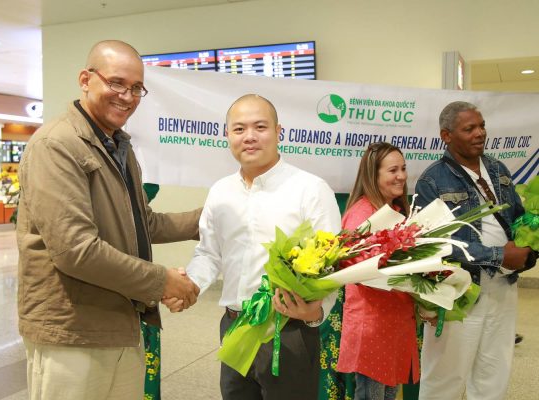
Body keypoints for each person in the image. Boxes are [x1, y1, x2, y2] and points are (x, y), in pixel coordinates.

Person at [16, 40, 201, 400]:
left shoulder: (118, 146)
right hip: (71, 330)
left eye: (136, 88)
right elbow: (76, 251)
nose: (127, 96)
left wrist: (209, 217)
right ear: (86, 79)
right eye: (117, 83)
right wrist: (162, 280)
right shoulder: (57, 145)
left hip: (118, 322)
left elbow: (142, 223)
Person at [166, 94, 341, 399]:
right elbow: (209, 252)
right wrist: (189, 284)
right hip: (234, 326)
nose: (249, 136)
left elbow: (333, 263)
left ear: (278, 131)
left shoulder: (310, 189)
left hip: (288, 331)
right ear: (227, 135)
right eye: (239, 129)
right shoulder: (220, 191)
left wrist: (316, 312)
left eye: (260, 127)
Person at [416, 101, 532, 400]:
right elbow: (437, 243)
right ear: (447, 135)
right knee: (445, 376)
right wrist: (499, 256)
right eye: (469, 128)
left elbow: (518, 217)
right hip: (459, 292)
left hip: (504, 287)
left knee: (494, 370)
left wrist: (528, 249)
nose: (480, 133)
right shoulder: (431, 180)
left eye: (481, 126)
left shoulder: (497, 168)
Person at [335, 142, 419, 400]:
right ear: (374, 175)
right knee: (371, 394)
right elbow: (356, 268)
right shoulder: (361, 213)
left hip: (395, 318)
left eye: (403, 168)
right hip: (372, 321)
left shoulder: (395, 211)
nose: (402, 176)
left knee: (388, 393)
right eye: (393, 170)